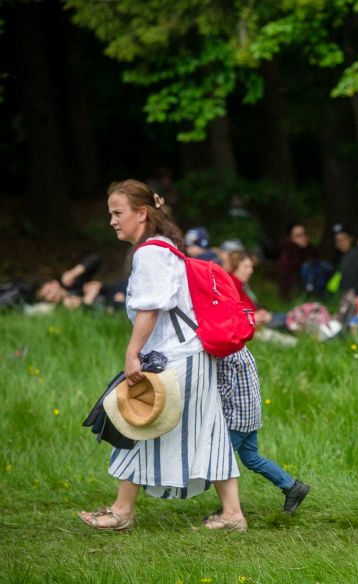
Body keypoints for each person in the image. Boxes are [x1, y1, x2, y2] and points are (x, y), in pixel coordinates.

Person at [79, 179, 246, 532]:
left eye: (117, 213)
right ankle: (231, 514)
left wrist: (132, 353)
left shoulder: (151, 251)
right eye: (111, 213)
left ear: (141, 213)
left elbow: (151, 309)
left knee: (139, 421)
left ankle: (123, 512)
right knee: (204, 429)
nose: (112, 220)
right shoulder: (163, 246)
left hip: (176, 355)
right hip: (188, 354)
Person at [218, 252, 311, 514]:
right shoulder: (242, 349)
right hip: (251, 413)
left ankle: (230, 510)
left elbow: (225, 388)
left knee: (220, 460)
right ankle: (292, 486)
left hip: (237, 416)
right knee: (251, 458)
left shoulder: (228, 353)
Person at [277, 223, 319, 300]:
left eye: (305, 233)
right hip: (299, 295)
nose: (303, 237)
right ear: (291, 238)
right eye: (299, 235)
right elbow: (286, 281)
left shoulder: (311, 251)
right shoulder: (288, 256)